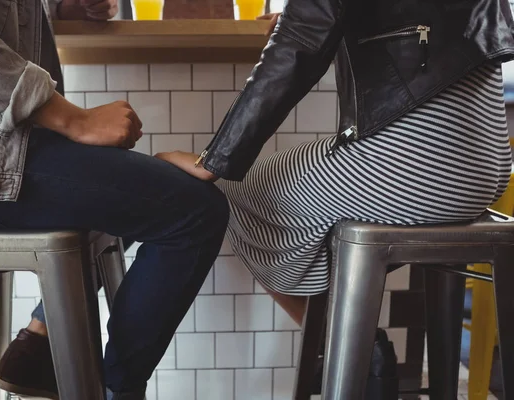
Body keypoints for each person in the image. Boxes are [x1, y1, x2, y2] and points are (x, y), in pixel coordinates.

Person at [0, 1, 229, 399]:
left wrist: (64, 7)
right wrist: (71, 119)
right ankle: (117, 390)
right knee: (194, 211)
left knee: (137, 198)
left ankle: (38, 342)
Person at [156, 0, 514, 331]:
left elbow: (297, 44)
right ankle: (353, 350)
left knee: (227, 194)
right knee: (312, 212)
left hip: (417, 166)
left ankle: (350, 349)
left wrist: (214, 162)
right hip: (489, 164)